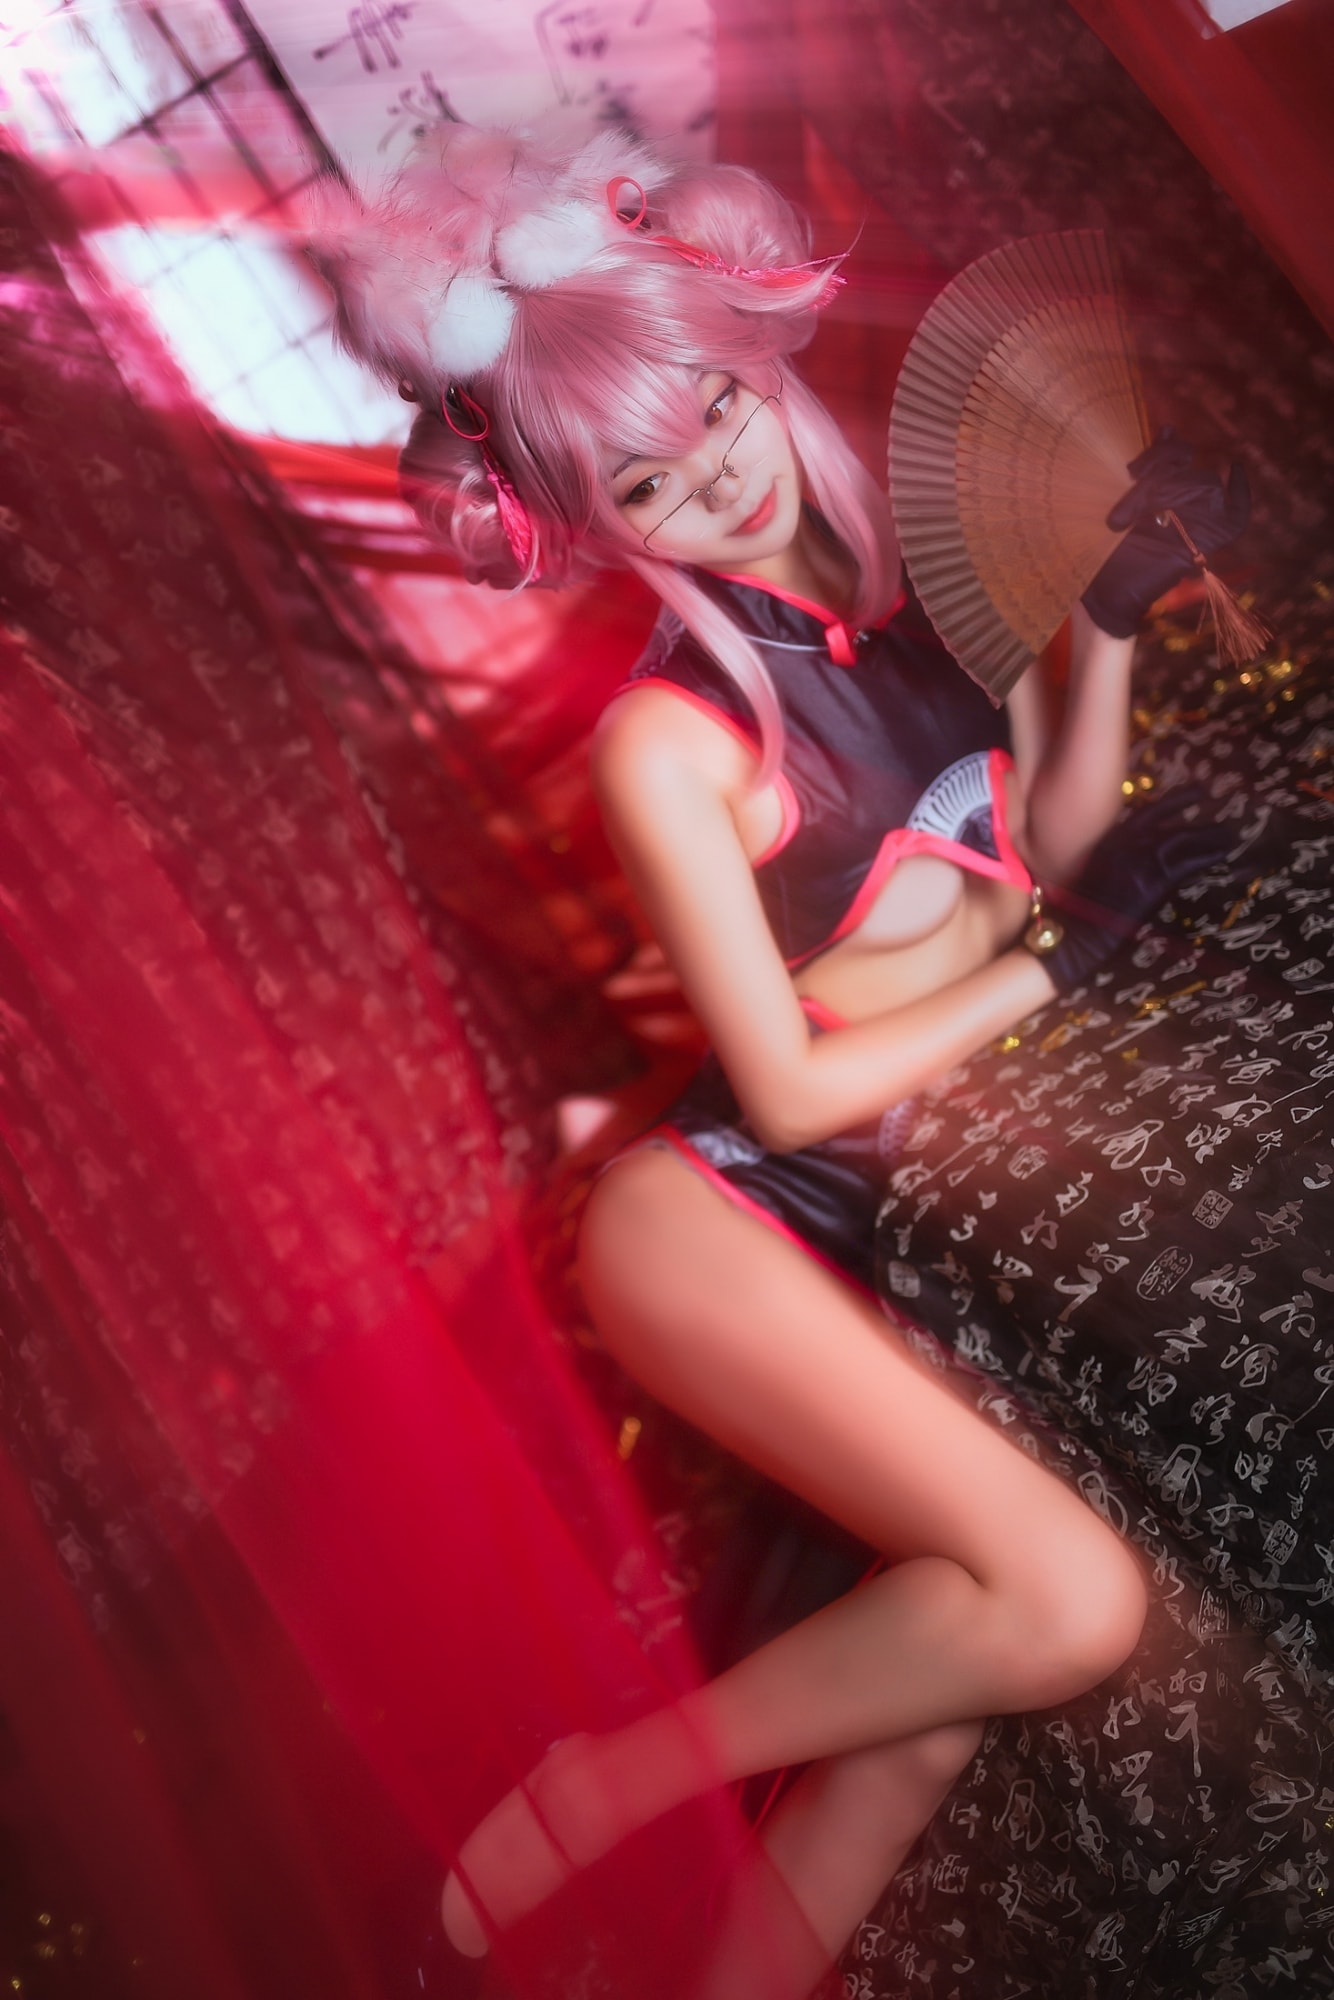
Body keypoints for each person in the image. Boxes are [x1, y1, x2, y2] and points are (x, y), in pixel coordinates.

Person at [310, 121, 1246, 1996]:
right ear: (589, 522)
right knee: (1069, 1605)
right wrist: (1046, 974)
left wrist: (1108, 621)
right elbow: (797, 1086)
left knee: (932, 1692)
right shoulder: (668, 746)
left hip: (872, 1211)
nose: (714, 478)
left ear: (752, 361)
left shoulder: (900, 602)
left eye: (714, 413)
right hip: (719, 1219)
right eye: (643, 482)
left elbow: (1048, 844)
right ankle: (600, 1790)